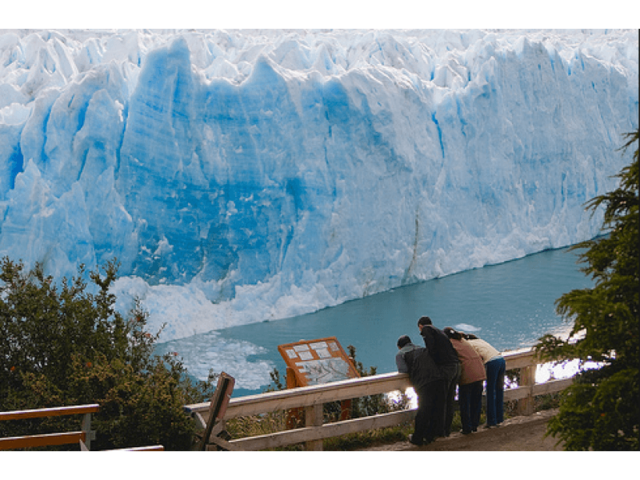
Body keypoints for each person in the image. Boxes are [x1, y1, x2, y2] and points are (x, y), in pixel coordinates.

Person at [396, 336, 446, 446]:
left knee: (423, 410)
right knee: (435, 408)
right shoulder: (422, 349)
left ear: (399, 346)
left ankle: (417, 438)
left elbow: (403, 370)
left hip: (424, 382)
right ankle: (430, 436)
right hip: (438, 378)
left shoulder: (401, 354)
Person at [417, 317, 461, 438]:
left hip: (446, 368)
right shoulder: (439, 331)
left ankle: (439, 431)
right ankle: (447, 430)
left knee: (441, 401)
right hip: (456, 366)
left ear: (420, 326)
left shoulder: (427, 329)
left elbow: (431, 349)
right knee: (449, 400)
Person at [443, 328, 487, 435]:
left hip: (468, 374)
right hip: (479, 371)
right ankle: (474, 425)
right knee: (476, 400)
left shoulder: (450, 344)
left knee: (465, 402)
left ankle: (467, 428)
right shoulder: (463, 341)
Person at [465, 333, 506, 428]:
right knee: (499, 390)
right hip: (501, 359)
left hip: (491, 362)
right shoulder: (480, 341)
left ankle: (491, 421)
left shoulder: (469, 344)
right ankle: (499, 418)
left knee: (490, 391)